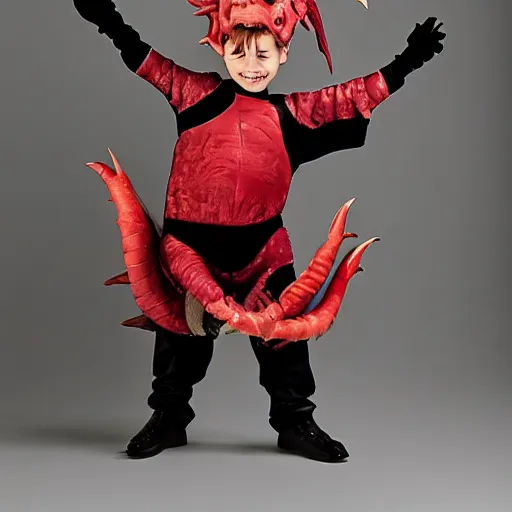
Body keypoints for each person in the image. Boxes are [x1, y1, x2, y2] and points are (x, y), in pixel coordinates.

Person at [72, 0, 445, 462]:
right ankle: (167, 419)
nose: (251, 65)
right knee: (177, 346)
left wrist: (407, 61)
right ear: (222, 47)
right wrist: (108, 21)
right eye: (241, 53)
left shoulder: (294, 113)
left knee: (283, 343)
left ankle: (295, 421)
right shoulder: (196, 94)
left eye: (263, 54)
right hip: (191, 252)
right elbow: (147, 61)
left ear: (283, 54)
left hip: (263, 255)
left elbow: (351, 96)